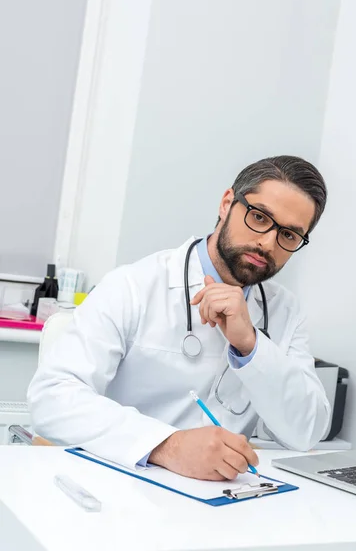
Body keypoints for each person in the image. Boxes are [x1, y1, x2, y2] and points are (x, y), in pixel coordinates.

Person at [28, 155, 330, 481]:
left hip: (224, 503)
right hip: (118, 488)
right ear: (227, 203)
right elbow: (52, 397)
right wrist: (168, 445)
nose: (267, 242)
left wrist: (251, 345)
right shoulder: (134, 286)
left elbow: (306, 432)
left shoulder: (286, 312)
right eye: (259, 217)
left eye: (289, 235)